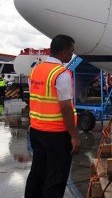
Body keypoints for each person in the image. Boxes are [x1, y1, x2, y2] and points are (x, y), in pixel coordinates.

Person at [25, 34, 80, 198]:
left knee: (37, 172)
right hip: (56, 134)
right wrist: (74, 136)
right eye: (71, 51)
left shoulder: (35, 70)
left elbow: (35, 99)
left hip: (36, 130)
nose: (72, 54)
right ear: (63, 52)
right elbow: (65, 107)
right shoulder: (61, 73)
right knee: (56, 176)